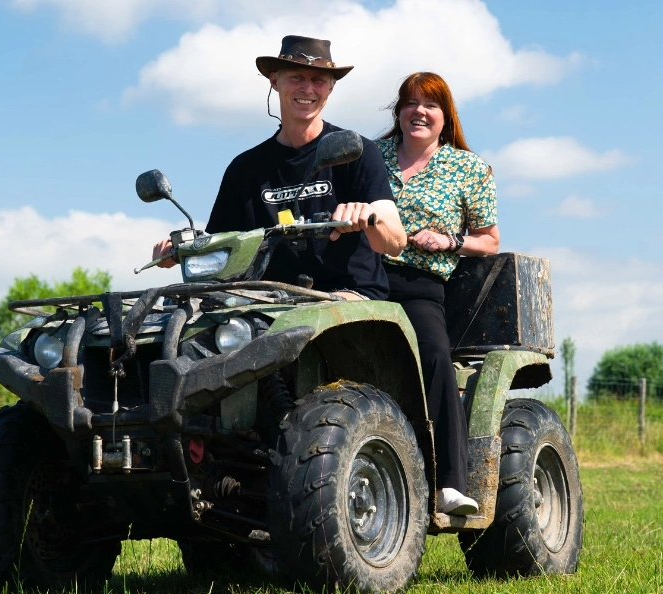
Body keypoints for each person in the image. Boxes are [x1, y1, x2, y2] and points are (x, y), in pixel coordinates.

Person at [152, 35, 406, 300]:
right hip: (268, 301)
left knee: (316, 315)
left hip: (349, 296)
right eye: (297, 77)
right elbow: (221, 252)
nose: (307, 89)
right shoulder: (244, 169)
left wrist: (372, 217)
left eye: (318, 80)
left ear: (330, 89)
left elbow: (396, 242)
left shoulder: (356, 152)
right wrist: (180, 252)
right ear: (274, 81)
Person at [375, 72, 500, 516]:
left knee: (434, 355)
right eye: (410, 103)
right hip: (362, 276)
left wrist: (449, 241)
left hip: (419, 284)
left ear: (446, 116)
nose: (419, 112)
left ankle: (449, 483)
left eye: (430, 104)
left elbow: (489, 241)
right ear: (399, 112)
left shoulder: (469, 168)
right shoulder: (370, 157)